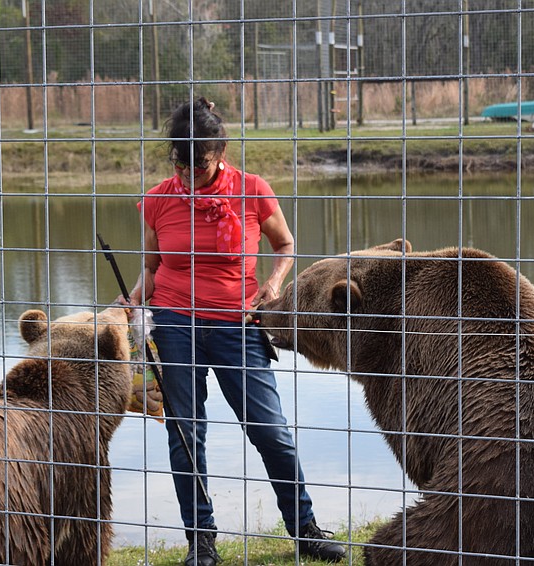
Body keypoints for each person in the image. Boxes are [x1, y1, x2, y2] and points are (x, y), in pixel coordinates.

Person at [120, 98, 346, 566]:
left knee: (270, 431)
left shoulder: (252, 190)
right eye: (181, 166)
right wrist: (135, 299)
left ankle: (305, 530)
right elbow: (152, 266)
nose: (189, 176)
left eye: (199, 166)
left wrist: (274, 283)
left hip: (237, 324)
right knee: (186, 434)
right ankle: (201, 542)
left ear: (220, 153)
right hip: (175, 325)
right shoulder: (158, 199)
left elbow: (285, 244)